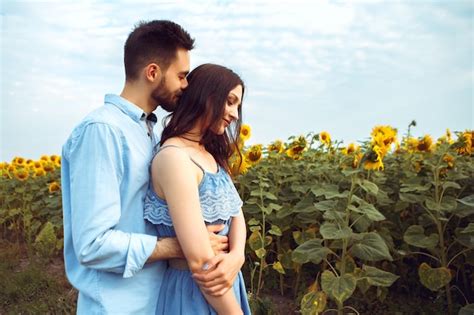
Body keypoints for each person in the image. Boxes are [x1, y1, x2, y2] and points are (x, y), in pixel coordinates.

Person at [61, 21, 235, 314]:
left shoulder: (152, 134)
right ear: (152, 72)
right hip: (119, 305)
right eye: (181, 76)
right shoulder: (102, 131)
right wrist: (178, 246)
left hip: (161, 299)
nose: (186, 85)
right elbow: (92, 244)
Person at [144, 63, 251, 315]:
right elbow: (200, 262)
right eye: (230, 102)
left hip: (225, 285)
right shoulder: (175, 158)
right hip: (196, 292)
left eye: (238, 105)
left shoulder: (209, 154)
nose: (235, 114)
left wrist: (238, 255)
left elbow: (237, 214)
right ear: (206, 96)